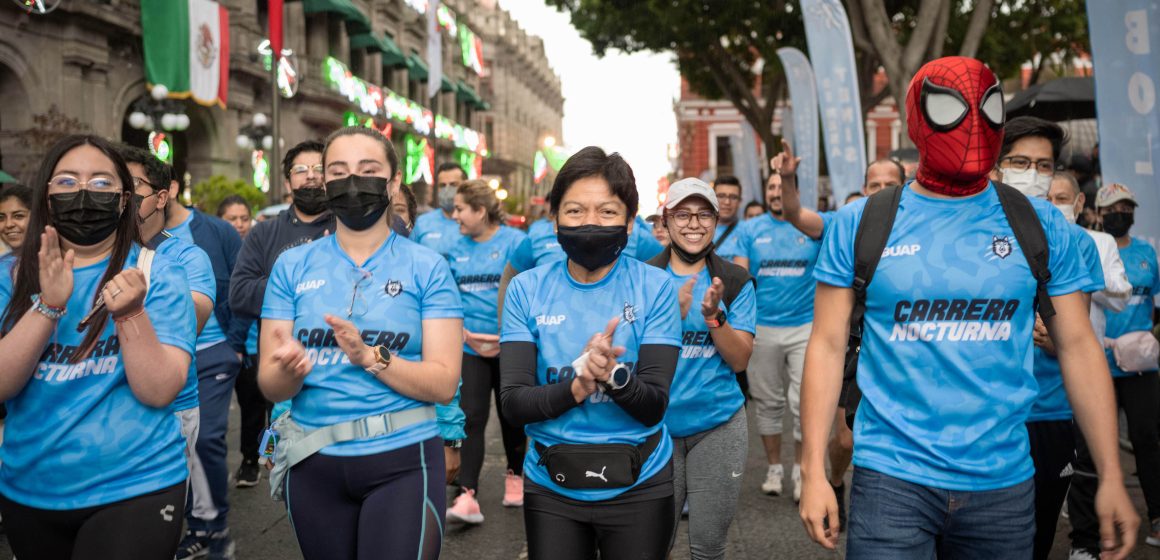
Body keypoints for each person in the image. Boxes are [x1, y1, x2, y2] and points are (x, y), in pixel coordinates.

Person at [798, 56, 1138, 559]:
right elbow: (826, 345)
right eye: (948, 109)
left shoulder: (1042, 227)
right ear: (918, 117)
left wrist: (1110, 474)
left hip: (1002, 482)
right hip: (892, 478)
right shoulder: (861, 223)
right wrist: (813, 471)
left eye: (987, 108)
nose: (971, 124)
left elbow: (1079, 346)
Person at [258, 126, 463, 559]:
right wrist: (286, 369)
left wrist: (371, 357)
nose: (352, 181)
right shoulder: (291, 266)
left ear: (391, 184)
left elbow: (444, 384)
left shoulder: (428, 267)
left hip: (404, 461)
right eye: (338, 171)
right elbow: (271, 387)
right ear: (325, 184)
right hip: (313, 461)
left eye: (367, 170)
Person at [0, 134, 195, 558]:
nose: (84, 193)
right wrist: (48, 305)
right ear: (47, 198)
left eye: (102, 183)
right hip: (30, 487)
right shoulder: (11, 276)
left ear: (125, 200)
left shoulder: (158, 271)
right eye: (67, 182)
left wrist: (130, 313)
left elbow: (160, 389)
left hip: (136, 484)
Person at [499, 146, 682, 560]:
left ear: (630, 222)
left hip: (641, 483)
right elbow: (513, 403)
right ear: (555, 219)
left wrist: (614, 376)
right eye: (576, 211)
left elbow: (653, 405)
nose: (590, 223)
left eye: (607, 212)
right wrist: (578, 386)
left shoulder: (655, 288)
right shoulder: (526, 290)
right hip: (551, 487)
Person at [983, 116, 1111, 560]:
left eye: (1043, 165)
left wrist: (1053, 339)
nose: (1032, 173)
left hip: (1049, 412)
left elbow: (1079, 339)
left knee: (1033, 539)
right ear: (996, 167)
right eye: (1020, 161)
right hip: (989, 414)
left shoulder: (1074, 241)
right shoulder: (974, 231)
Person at [119, 145, 236, 559]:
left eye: (131, 187)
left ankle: (207, 525)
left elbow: (193, 319)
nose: (120, 197)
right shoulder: (84, 252)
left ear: (161, 196)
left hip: (171, 404)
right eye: (111, 186)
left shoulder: (186, 255)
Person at [647, 178, 755, 560]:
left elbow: (740, 359)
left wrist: (713, 318)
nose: (694, 223)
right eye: (683, 214)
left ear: (716, 219)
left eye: (703, 214)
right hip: (654, 430)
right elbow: (627, 361)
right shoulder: (643, 279)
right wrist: (667, 319)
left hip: (718, 424)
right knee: (651, 546)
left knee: (708, 547)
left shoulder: (735, 280)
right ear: (667, 220)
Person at [718, 156, 831, 502]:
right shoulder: (750, 230)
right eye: (771, 186)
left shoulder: (811, 226)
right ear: (766, 193)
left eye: (782, 185)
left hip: (804, 328)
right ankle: (773, 469)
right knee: (768, 403)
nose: (777, 191)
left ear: (792, 188)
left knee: (803, 402)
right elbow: (740, 281)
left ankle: (800, 469)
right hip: (762, 328)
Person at [156, 162, 244, 560]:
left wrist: (236, 343)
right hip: (158, 358)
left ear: (167, 190)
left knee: (206, 436)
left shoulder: (214, 231)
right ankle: (177, 520)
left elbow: (240, 283)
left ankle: (210, 527)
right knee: (174, 442)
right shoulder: (124, 241)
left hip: (212, 353)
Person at [1067, 182, 1160, 559]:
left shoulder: (1146, 253)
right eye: (1115, 207)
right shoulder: (1090, 247)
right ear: (1099, 213)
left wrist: (1149, 340)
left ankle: (1156, 517)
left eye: (1128, 206)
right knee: (1088, 451)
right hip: (1097, 364)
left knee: (1147, 440)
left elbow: (1153, 303)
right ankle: (1086, 537)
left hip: (1139, 366)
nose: (1122, 213)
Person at [230, 140, 329, 489]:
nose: (311, 177)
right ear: (288, 182)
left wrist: (280, 290)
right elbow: (239, 293)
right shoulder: (265, 232)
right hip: (280, 359)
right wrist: (307, 290)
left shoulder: (347, 230)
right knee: (287, 457)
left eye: (319, 169)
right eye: (301, 170)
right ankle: (262, 464)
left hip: (338, 360)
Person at [444, 180, 535, 524]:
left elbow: (532, 286)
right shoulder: (456, 248)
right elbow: (449, 296)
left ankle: (516, 474)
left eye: (461, 209)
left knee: (512, 415)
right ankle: (467, 493)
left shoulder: (515, 242)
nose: (455, 216)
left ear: (481, 210)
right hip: (471, 345)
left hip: (510, 344)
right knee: (472, 415)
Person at [1047, 172, 1131, 347]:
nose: (1053, 206)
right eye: (1047, 199)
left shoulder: (1101, 243)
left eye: (1062, 199)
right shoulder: (1028, 241)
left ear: (1080, 201)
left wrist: (1085, 270)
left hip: (1087, 356)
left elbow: (1122, 298)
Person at [412, 162, 468, 258]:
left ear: (466, 186)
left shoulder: (473, 222)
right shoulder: (422, 223)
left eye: (453, 185)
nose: (447, 190)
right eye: (442, 185)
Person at [0, 184, 31, 254]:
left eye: (19, 216)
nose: (8, 224)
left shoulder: (55, 260)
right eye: (1, 218)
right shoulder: (3, 262)